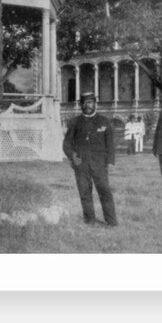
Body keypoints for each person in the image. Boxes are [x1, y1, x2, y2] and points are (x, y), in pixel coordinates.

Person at [62, 92, 117, 226]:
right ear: (81, 104)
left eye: (90, 102)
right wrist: (72, 156)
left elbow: (110, 145)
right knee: (85, 193)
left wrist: (110, 162)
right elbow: (67, 144)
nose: (87, 105)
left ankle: (111, 222)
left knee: (105, 191)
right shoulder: (75, 122)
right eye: (84, 103)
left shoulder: (104, 121)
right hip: (81, 164)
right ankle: (90, 220)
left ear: (95, 104)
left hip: (99, 164)